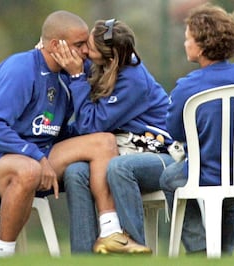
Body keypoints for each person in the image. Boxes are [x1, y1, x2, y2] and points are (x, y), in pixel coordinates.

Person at [0, 10, 118, 257]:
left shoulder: (74, 71)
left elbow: (119, 64)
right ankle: (4, 255)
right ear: (55, 45)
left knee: (104, 143)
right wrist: (36, 157)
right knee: (29, 170)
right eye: (79, 44)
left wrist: (78, 78)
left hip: (40, 154)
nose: (86, 50)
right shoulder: (21, 69)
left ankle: (111, 233)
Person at [54, 19, 175, 254]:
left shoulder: (133, 80)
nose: (84, 52)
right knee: (75, 172)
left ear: (109, 59)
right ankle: (84, 256)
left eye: (89, 47)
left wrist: (78, 77)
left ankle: (129, 247)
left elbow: (92, 125)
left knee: (119, 167)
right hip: (124, 145)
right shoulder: (105, 63)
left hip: (157, 152)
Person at [159, 3, 234, 255]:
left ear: (201, 45)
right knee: (230, 179)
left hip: (209, 173)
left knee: (170, 178)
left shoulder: (187, 87)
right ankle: (225, 251)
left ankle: (200, 249)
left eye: (188, 38)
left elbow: (175, 132)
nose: (185, 43)